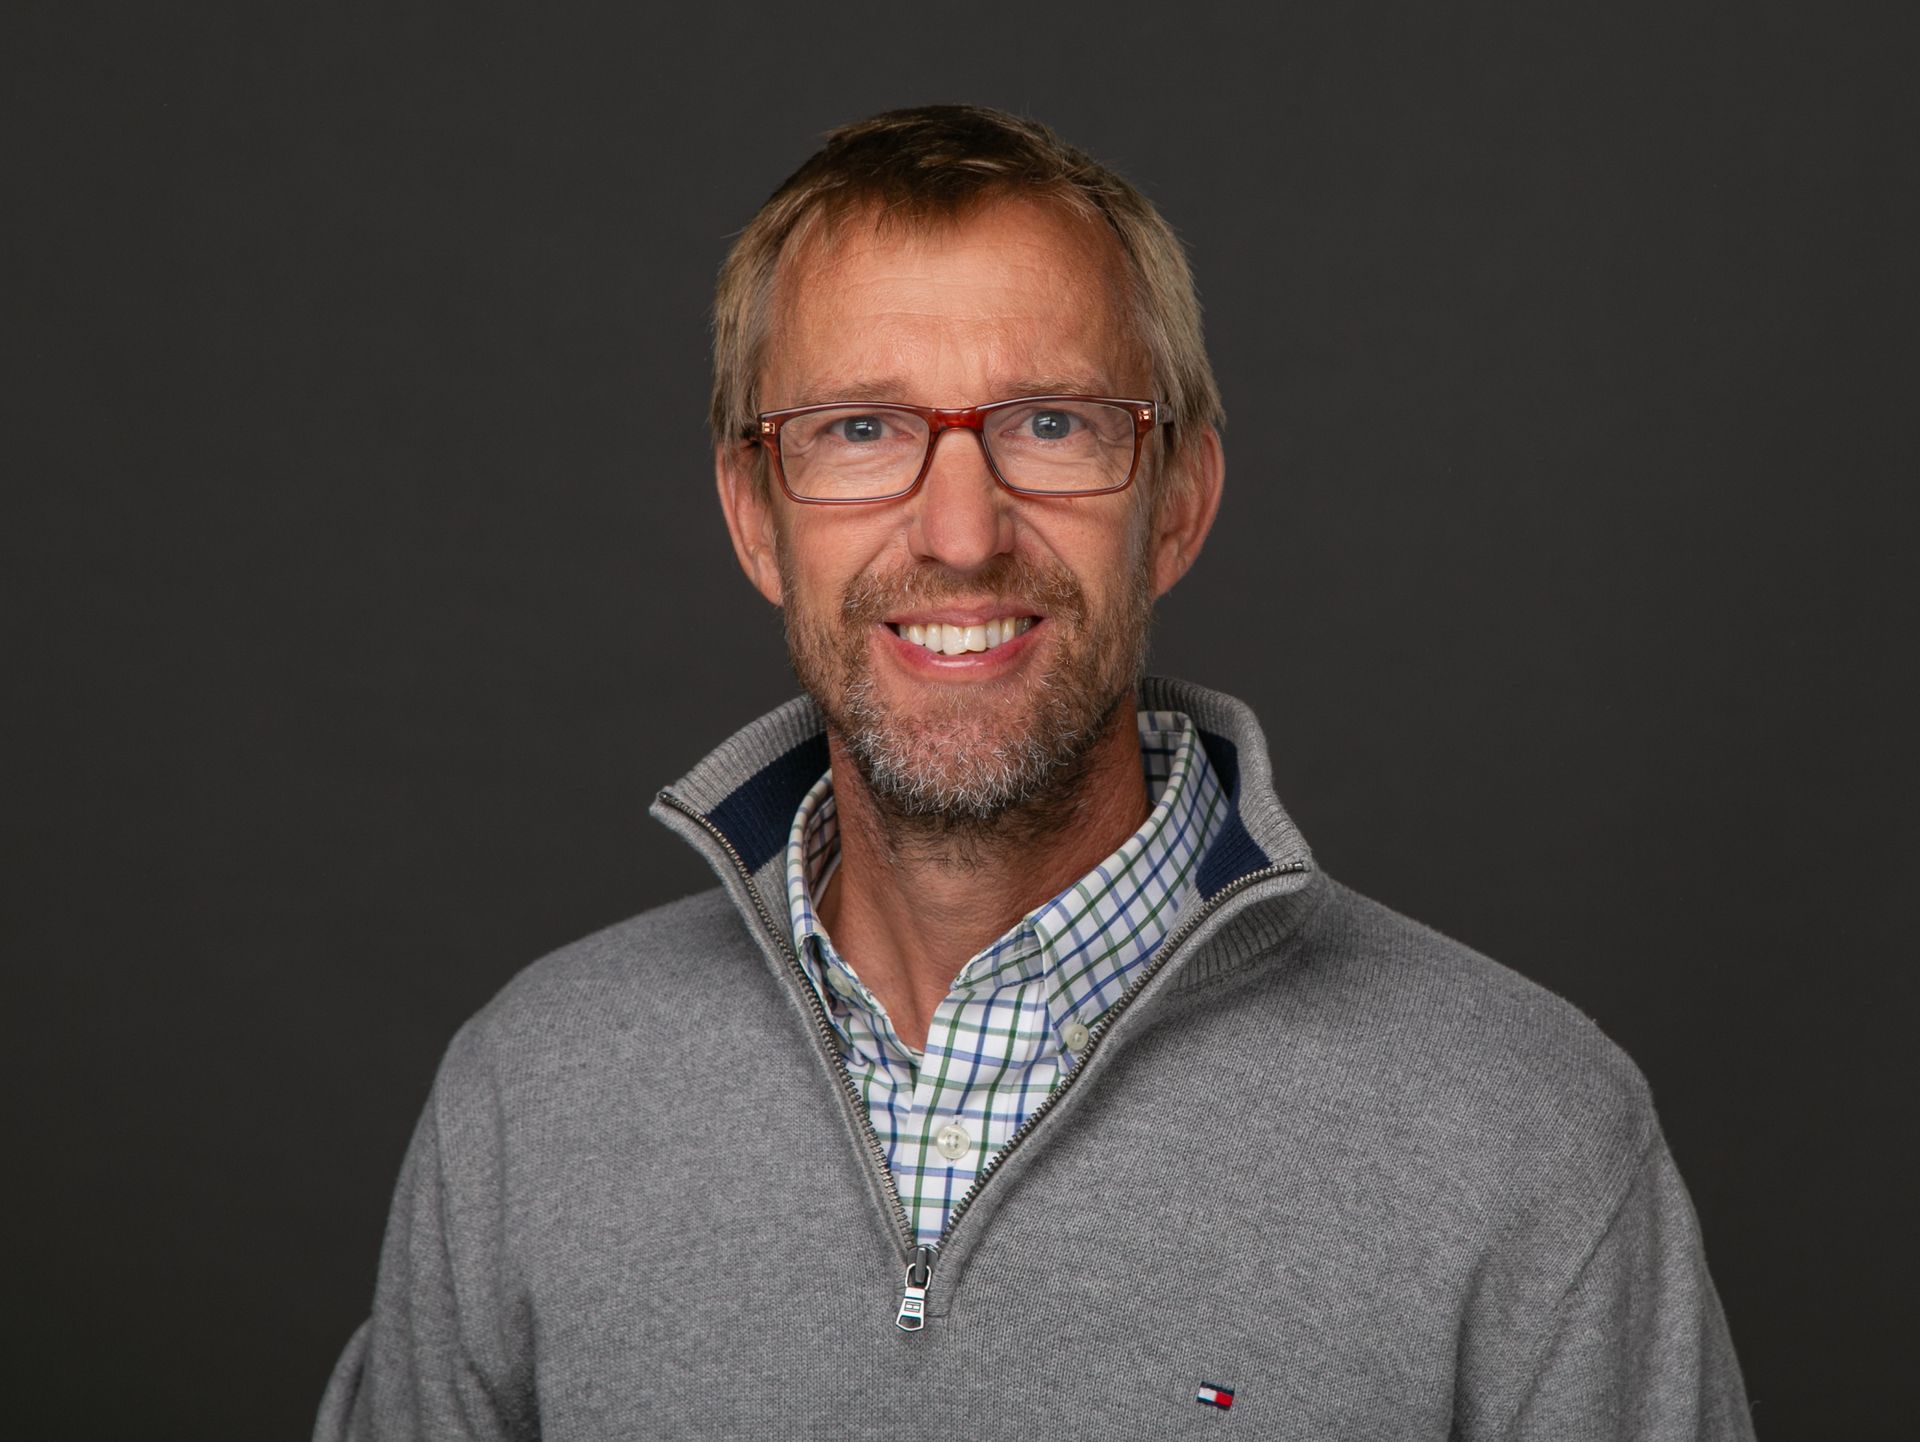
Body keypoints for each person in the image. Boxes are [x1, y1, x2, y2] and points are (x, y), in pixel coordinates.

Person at [317, 105, 1755, 1439]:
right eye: (861, 429)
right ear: (759, 516)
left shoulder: (1529, 1140)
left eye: (1051, 424)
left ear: (1177, 500)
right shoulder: (530, 1098)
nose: (959, 531)